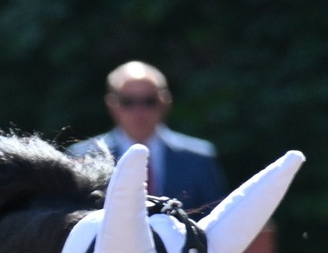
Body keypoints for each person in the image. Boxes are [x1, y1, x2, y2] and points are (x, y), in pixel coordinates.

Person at [67, 61, 226, 213]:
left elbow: (214, 223)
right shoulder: (84, 157)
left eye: (149, 101)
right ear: (112, 105)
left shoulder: (199, 158)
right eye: (127, 101)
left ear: (165, 101)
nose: (139, 111)